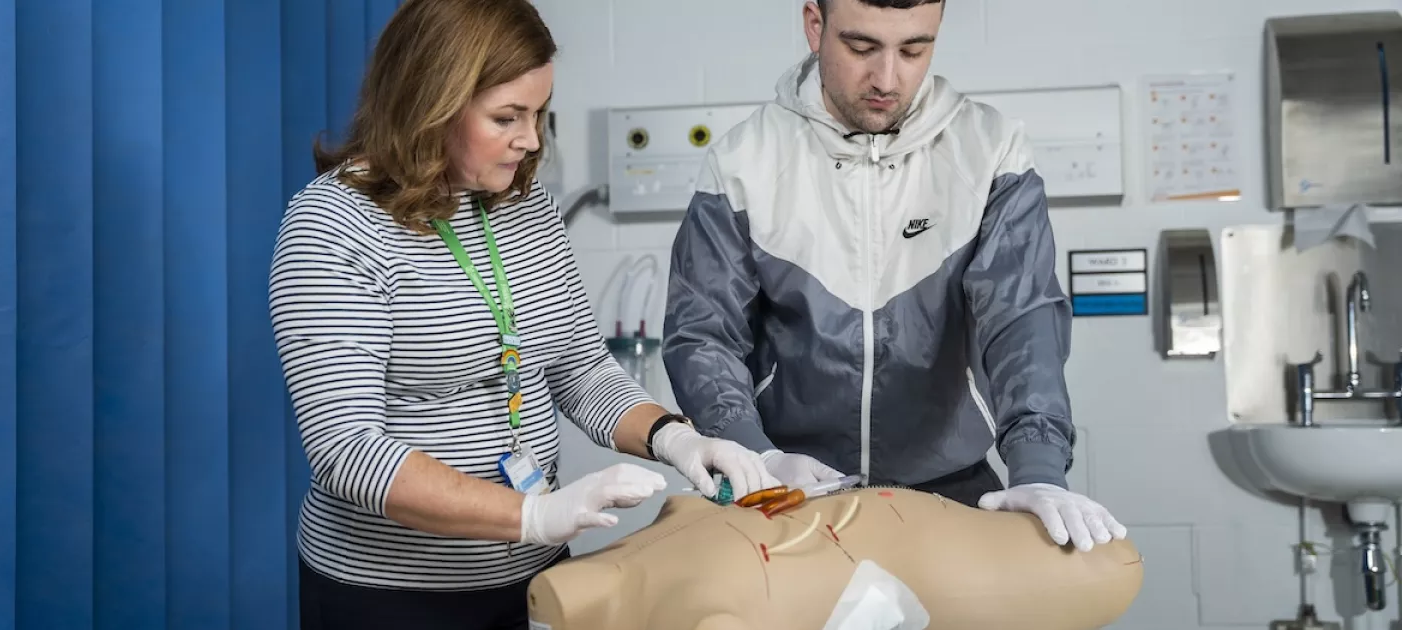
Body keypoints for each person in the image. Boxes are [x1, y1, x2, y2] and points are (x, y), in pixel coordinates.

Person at [268, 1, 779, 627]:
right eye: (507, 117)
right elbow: (345, 450)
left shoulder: (522, 204)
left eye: (540, 113)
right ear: (430, 101)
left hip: (533, 572)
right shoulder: (332, 227)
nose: (531, 139)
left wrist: (676, 437)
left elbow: (580, 369)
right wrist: (531, 516)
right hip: (390, 595)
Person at [661, 0, 1127, 553]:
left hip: (953, 486)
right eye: (861, 48)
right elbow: (703, 335)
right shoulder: (743, 162)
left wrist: (1039, 465)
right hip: (789, 486)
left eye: (914, 49)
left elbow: (1021, 319)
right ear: (816, 26)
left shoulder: (991, 150)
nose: (887, 78)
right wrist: (754, 452)